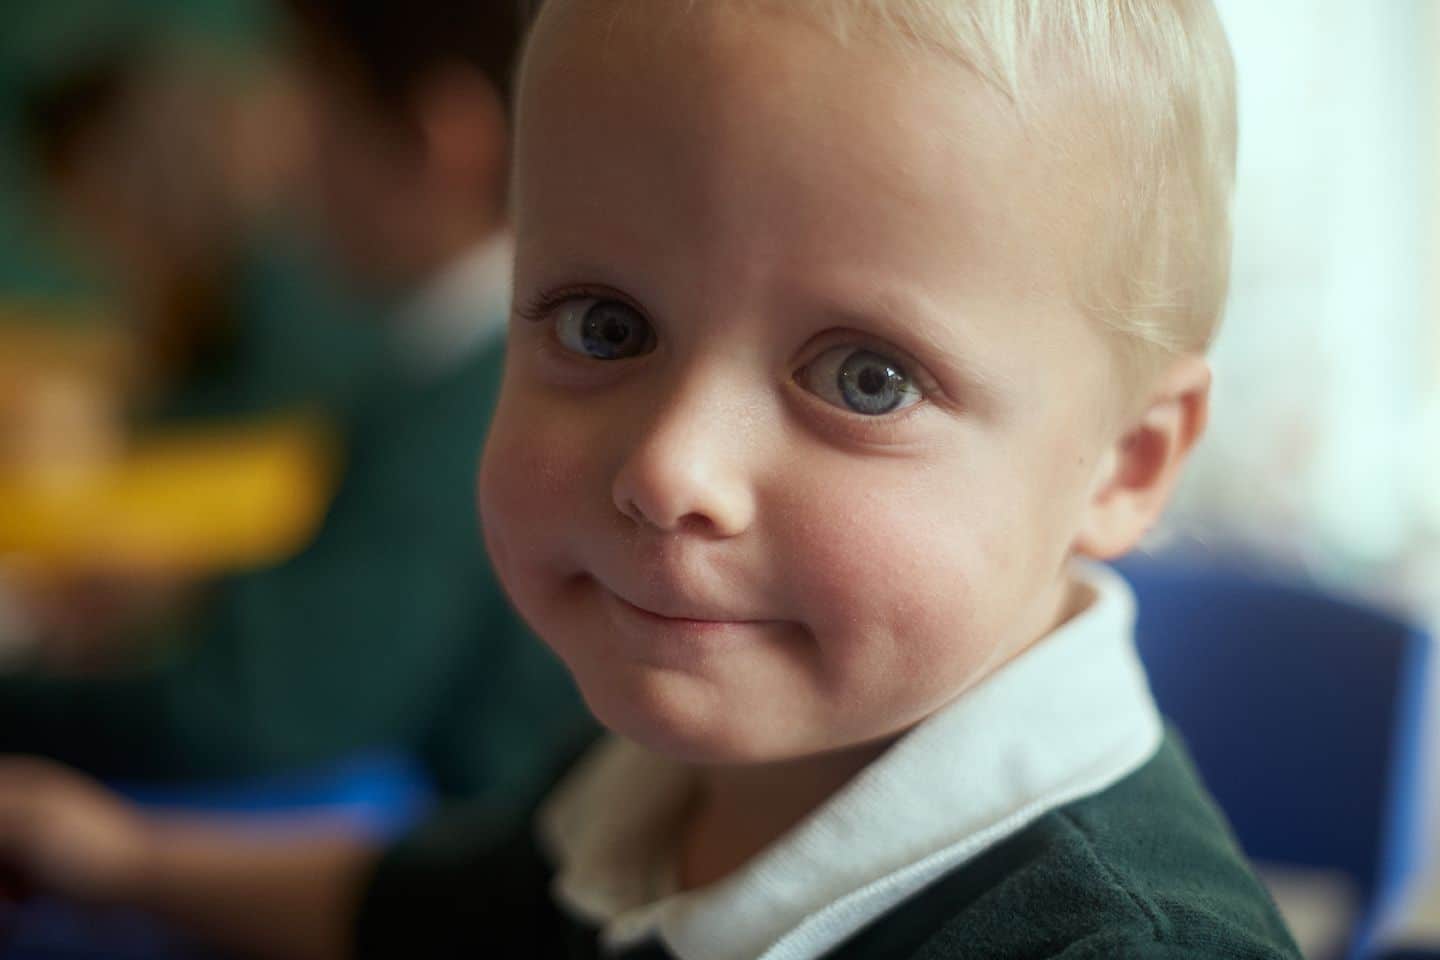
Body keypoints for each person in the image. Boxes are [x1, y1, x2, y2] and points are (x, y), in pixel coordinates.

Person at [0, 1, 1303, 958]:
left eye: (865, 379)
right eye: (603, 327)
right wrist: (120, 858)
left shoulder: (1117, 951)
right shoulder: (665, 754)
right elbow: (438, 914)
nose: (668, 467)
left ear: (1125, 463)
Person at [0, 0, 591, 806]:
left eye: (315, 116)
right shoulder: (450, 371)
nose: (285, 169)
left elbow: (247, 718)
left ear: (434, 140)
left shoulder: (477, 409)